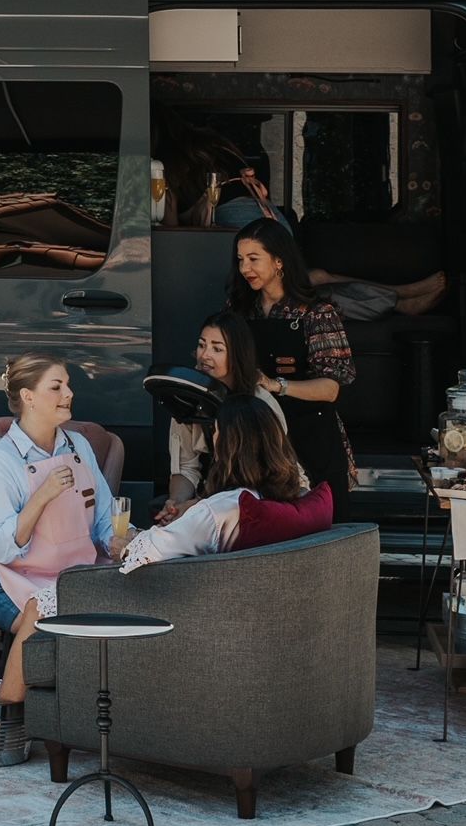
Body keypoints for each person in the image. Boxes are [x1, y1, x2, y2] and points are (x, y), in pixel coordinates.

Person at [0, 353, 116, 711]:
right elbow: (3, 548)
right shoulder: (2, 462)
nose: (68, 393)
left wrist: (117, 541)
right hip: (11, 580)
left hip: (75, 573)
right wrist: (42, 496)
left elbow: (104, 516)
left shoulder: (78, 447)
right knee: (43, 609)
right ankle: (8, 712)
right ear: (28, 397)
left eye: (67, 385)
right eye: (56, 386)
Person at [124, 399, 336, 572]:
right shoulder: (295, 500)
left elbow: (145, 552)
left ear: (229, 444)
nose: (212, 438)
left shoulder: (222, 510)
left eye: (216, 431)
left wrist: (127, 538)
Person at [232, 218, 357, 509]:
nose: (244, 269)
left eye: (253, 259)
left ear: (279, 261)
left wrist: (275, 385)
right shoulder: (239, 309)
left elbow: (330, 388)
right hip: (255, 436)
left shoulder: (317, 313)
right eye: (240, 260)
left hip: (310, 434)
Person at [217, 160, 447, 317]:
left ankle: (399, 295)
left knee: (318, 277)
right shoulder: (214, 210)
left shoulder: (258, 211)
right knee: (323, 292)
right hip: (268, 288)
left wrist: (261, 197)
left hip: (279, 277)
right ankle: (399, 301)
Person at [159, 316, 285, 519]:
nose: (205, 355)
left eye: (217, 349)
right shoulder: (186, 400)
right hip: (208, 504)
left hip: (258, 506)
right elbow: (185, 467)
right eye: (202, 345)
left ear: (237, 356)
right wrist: (177, 504)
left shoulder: (260, 403)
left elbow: (260, 482)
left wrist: (197, 506)